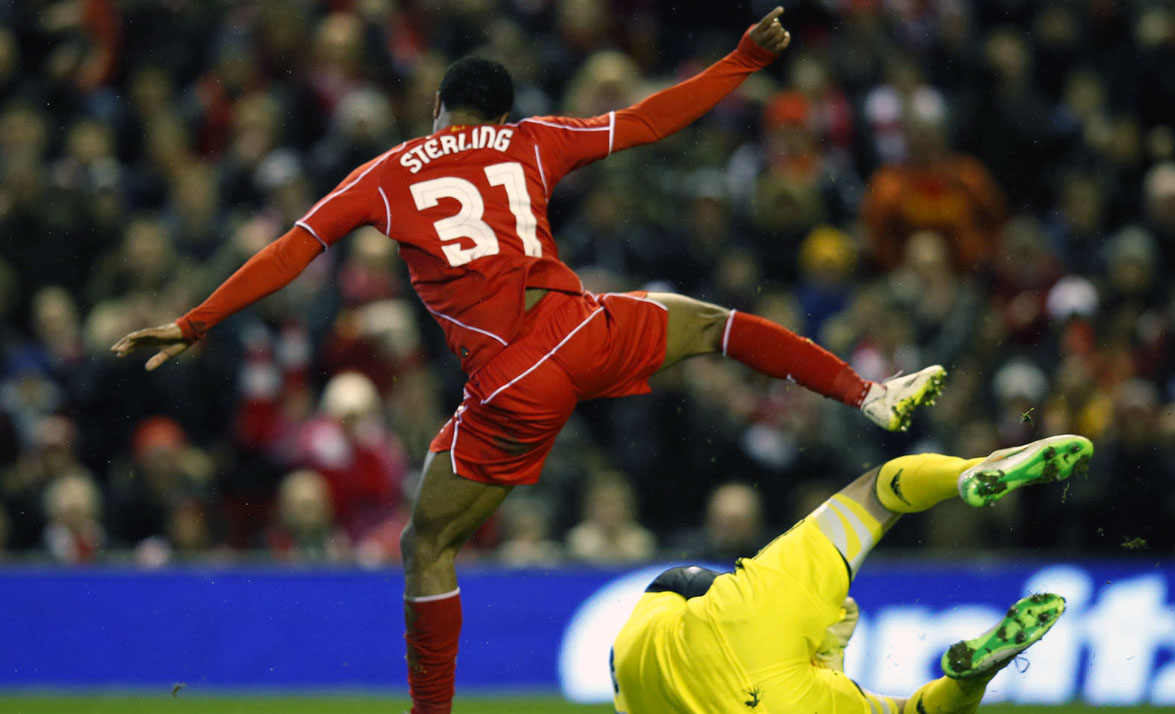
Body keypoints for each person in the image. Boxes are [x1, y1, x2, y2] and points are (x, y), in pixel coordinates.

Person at [110, 8, 947, 712]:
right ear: (501, 113)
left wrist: (195, 321)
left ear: (440, 106)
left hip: (514, 378)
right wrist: (744, 59)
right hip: (583, 330)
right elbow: (654, 119)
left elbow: (293, 250)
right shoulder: (533, 141)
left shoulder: (388, 172)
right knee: (712, 324)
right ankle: (866, 392)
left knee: (427, 548)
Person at [611, 434, 1094, 714]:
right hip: (744, 622)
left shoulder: (633, 675)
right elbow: (678, 581)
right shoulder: (643, 631)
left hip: (787, 702)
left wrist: (826, 662)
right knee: (881, 492)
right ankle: (971, 472)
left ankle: (971, 683)